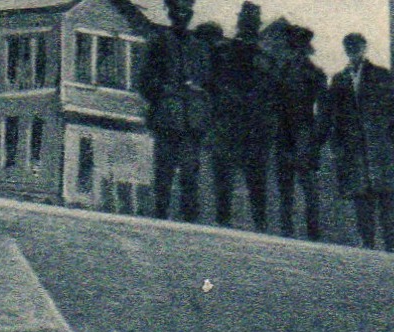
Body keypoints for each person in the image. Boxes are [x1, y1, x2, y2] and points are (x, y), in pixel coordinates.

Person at [324, 32, 394, 251]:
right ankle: (368, 247)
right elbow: (334, 116)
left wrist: (388, 140)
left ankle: (393, 250)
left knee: (387, 201)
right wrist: (337, 145)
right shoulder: (339, 79)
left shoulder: (381, 75)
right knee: (362, 200)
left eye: (357, 46)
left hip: (379, 149)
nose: (353, 50)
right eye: (349, 46)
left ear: (364, 47)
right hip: (355, 150)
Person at [138, 0, 214, 222]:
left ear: (191, 13)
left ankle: (190, 221)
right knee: (164, 172)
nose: (182, 15)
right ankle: (160, 217)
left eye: (186, 10)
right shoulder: (159, 42)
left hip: (193, 120)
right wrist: (164, 90)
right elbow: (145, 81)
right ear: (170, 13)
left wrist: (200, 97)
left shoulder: (200, 47)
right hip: (168, 117)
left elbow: (209, 84)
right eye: (178, 10)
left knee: (190, 173)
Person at [210, 3, 275, 230]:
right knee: (223, 174)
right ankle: (222, 219)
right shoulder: (223, 51)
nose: (249, 27)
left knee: (257, 178)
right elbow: (212, 83)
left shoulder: (266, 58)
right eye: (246, 22)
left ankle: (260, 223)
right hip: (228, 121)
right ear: (239, 23)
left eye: (254, 23)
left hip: (255, 126)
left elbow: (271, 92)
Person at [273, 22, 325, 239]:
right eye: (293, 47)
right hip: (284, 133)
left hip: (304, 131)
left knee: (308, 184)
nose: (296, 52)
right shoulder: (280, 71)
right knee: (285, 185)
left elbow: (323, 109)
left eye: (300, 48)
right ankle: (287, 231)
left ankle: (313, 232)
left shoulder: (315, 74)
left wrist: (316, 137)